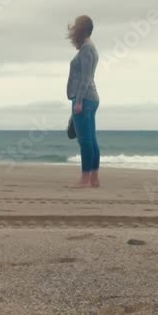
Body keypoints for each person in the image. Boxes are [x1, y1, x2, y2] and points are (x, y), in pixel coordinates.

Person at [66, 15, 100, 187]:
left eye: (76, 27)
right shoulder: (90, 48)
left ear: (82, 30)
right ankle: (94, 178)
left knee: (85, 141)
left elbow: (85, 78)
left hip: (84, 99)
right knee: (91, 140)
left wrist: (78, 101)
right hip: (90, 98)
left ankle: (85, 178)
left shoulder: (86, 49)